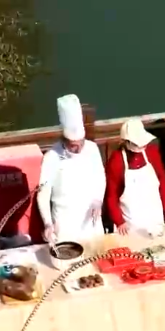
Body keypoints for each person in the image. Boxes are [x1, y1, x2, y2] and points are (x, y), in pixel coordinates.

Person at [37, 94, 106, 243]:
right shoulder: (51, 157)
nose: (78, 149)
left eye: (81, 144)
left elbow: (100, 177)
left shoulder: (92, 149)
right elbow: (43, 193)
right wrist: (48, 223)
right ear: (64, 140)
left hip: (90, 220)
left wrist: (98, 200)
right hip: (64, 221)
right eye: (73, 146)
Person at [104, 118, 165, 235]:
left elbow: (163, 180)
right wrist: (119, 221)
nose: (142, 146)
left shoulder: (152, 152)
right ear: (126, 142)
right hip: (130, 223)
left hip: (155, 218)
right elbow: (111, 195)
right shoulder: (116, 160)